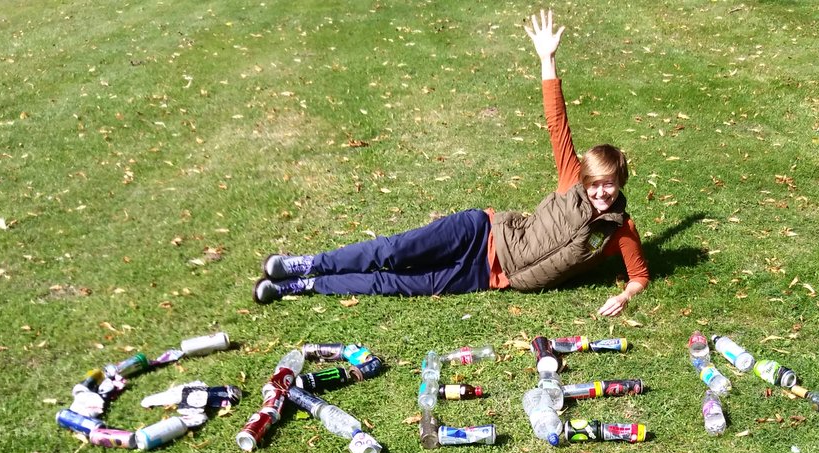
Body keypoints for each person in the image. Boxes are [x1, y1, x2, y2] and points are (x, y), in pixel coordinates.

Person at [254, 8, 649, 318]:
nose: (599, 191)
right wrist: (548, 60)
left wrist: (625, 295)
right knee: (391, 253)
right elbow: (557, 123)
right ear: (583, 176)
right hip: (480, 233)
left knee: (392, 283)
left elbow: (640, 276)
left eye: (608, 184)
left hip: (486, 276)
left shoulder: (621, 231)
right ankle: (304, 264)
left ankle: (302, 286)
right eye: (594, 182)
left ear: (620, 183)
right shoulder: (571, 180)